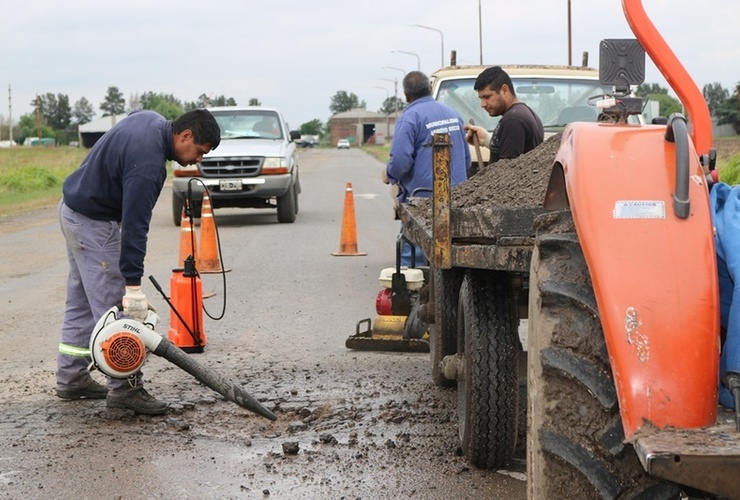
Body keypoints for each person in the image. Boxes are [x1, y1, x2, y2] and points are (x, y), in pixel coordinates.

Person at [56, 108, 221, 415]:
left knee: (80, 301)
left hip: (72, 210)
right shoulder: (150, 165)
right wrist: (132, 285)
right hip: (93, 222)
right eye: (198, 151)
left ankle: (71, 376)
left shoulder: (150, 119)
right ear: (185, 136)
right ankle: (125, 388)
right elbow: (135, 226)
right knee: (114, 309)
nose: (198, 160)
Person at [383, 70, 470, 267]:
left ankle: (415, 287)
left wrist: (390, 175)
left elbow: (400, 161)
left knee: (413, 251)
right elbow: (464, 159)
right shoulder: (453, 114)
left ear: (406, 96)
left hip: (422, 198)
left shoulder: (409, 118)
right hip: (456, 196)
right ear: (430, 89)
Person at [464, 65, 544, 164]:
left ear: (504, 90)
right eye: (481, 98)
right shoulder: (523, 113)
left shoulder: (513, 120)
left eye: (487, 97)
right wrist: (487, 141)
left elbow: (507, 171)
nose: (483, 104)